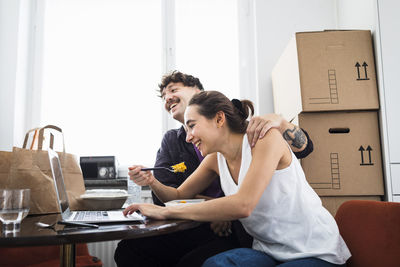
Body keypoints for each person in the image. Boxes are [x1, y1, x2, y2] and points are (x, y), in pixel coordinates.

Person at [124, 90, 351, 267]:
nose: (189, 136)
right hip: (268, 251)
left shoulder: (265, 140)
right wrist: (151, 181)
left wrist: (166, 211)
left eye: (192, 126)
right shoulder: (215, 159)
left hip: (314, 250)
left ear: (219, 119)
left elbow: (243, 205)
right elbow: (178, 195)